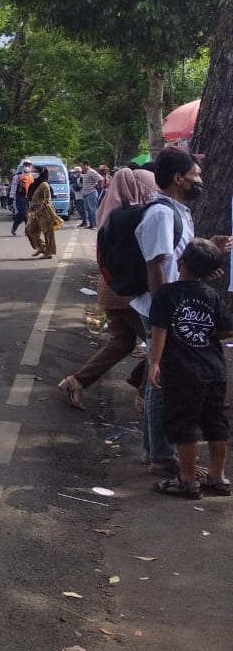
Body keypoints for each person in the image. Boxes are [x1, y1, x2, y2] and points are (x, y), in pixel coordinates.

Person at [131, 149, 233, 478]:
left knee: (158, 377)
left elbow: (179, 257)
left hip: (175, 309)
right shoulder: (161, 214)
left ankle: (159, 450)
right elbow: (156, 265)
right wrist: (168, 311)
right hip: (166, 312)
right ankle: (161, 455)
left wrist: (208, 250)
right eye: (196, 175)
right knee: (161, 381)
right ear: (178, 178)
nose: (199, 180)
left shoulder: (179, 211)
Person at [58, 168, 159, 410]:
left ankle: (76, 381)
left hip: (109, 289)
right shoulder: (133, 215)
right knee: (159, 343)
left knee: (122, 342)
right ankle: (145, 396)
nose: (152, 192)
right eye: (150, 187)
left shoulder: (109, 209)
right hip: (127, 294)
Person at [148, 239, 233, 499]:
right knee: (215, 422)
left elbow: (159, 330)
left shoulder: (166, 293)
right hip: (214, 369)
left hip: (183, 372)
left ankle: (186, 481)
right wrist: (207, 334)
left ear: (180, 262)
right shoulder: (212, 295)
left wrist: (154, 363)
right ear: (210, 272)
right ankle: (217, 478)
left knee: (184, 423)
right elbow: (227, 329)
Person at [24, 167, 62, 259]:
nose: (33, 173)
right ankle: (41, 247)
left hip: (44, 211)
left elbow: (47, 200)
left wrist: (39, 210)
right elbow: (30, 199)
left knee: (47, 232)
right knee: (29, 230)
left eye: (35, 171)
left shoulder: (44, 184)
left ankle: (48, 253)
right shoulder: (33, 185)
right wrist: (29, 211)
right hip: (34, 212)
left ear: (41, 173)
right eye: (32, 171)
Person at [10, 161, 34, 236]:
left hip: (30, 197)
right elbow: (13, 187)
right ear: (23, 166)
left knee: (23, 214)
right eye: (26, 165)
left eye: (28, 165)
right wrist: (11, 196)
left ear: (31, 166)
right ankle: (27, 230)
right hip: (21, 197)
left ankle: (14, 227)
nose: (27, 166)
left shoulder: (33, 176)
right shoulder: (17, 176)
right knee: (25, 213)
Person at [78, 160, 103, 227]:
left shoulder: (92, 172)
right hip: (85, 193)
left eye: (82, 166)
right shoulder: (85, 173)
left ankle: (95, 223)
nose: (81, 167)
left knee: (92, 209)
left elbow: (100, 179)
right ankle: (91, 224)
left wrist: (96, 185)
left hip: (91, 192)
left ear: (86, 165)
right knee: (88, 209)